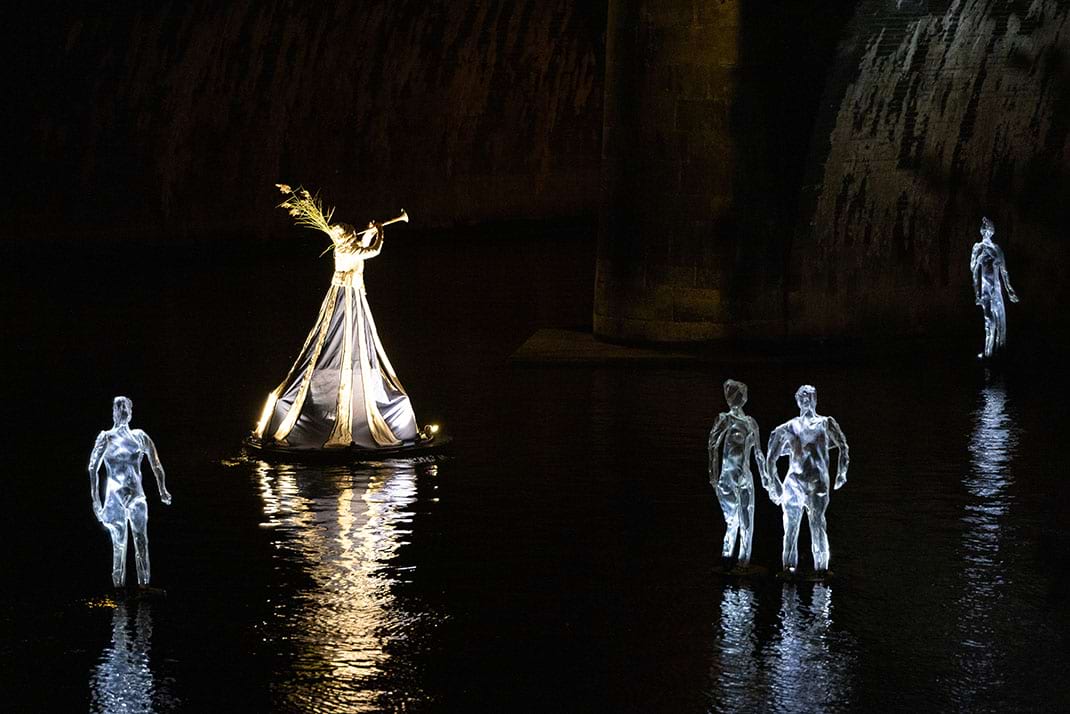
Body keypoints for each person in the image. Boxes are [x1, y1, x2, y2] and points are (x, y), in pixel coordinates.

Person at [253, 186, 423, 450]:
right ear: (346, 239)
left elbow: (360, 247)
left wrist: (369, 234)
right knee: (344, 338)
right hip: (349, 298)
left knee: (347, 340)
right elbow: (372, 252)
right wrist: (379, 232)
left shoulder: (344, 249)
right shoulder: (347, 252)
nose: (356, 235)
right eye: (352, 234)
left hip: (348, 294)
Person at [764, 385, 848, 574]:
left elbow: (843, 445)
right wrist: (774, 482)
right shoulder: (789, 426)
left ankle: (821, 569)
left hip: (818, 483)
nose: (806, 400)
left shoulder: (826, 423)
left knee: (817, 523)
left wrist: (841, 472)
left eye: (809, 396)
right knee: (791, 528)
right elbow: (771, 455)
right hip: (794, 483)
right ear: (797, 401)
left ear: (815, 399)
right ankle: (788, 569)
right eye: (802, 397)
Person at [89, 396, 172, 587]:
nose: (123, 409)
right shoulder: (106, 438)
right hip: (114, 498)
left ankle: (144, 585)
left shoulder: (139, 437)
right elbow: (93, 468)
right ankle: (118, 587)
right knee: (119, 545)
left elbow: (156, 464)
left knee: (141, 541)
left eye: (125, 406)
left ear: (131, 411)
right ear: (114, 412)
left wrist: (162, 489)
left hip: (137, 497)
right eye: (119, 406)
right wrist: (96, 501)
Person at [708, 379, 766, 566]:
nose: (738, 398)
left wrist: (766, 479)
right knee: (732, 521)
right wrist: (714, 477)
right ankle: (726, 558)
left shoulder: (751, 423)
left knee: (747, 522)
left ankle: (743, 562)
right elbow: (712, 446)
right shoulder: (725, 419)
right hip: (728, 477)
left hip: (745, 477)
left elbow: (758, 453)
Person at [970, 216, 1019, 359]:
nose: (986, 231)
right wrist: (977, 293)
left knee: (1001, 323)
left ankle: (999, 352)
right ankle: (989, 353)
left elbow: (1004, 271)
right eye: (984, 228)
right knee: (989, 322)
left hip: (996, 291)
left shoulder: (997, 249)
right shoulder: (977, 248)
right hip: (986, 291)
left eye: (988, 228)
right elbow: (974, 272)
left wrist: (1009, 290)